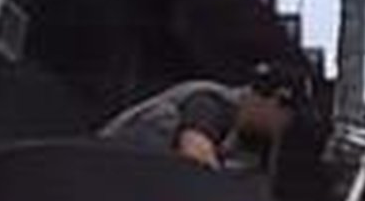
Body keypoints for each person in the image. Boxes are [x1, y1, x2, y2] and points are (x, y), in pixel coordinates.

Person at [97, 68, 290, 174]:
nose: (284, 126)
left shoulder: (240, 134)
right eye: (286, 116)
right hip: (108, 167)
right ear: (275, 100)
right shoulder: (212, 102)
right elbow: (195, 154)